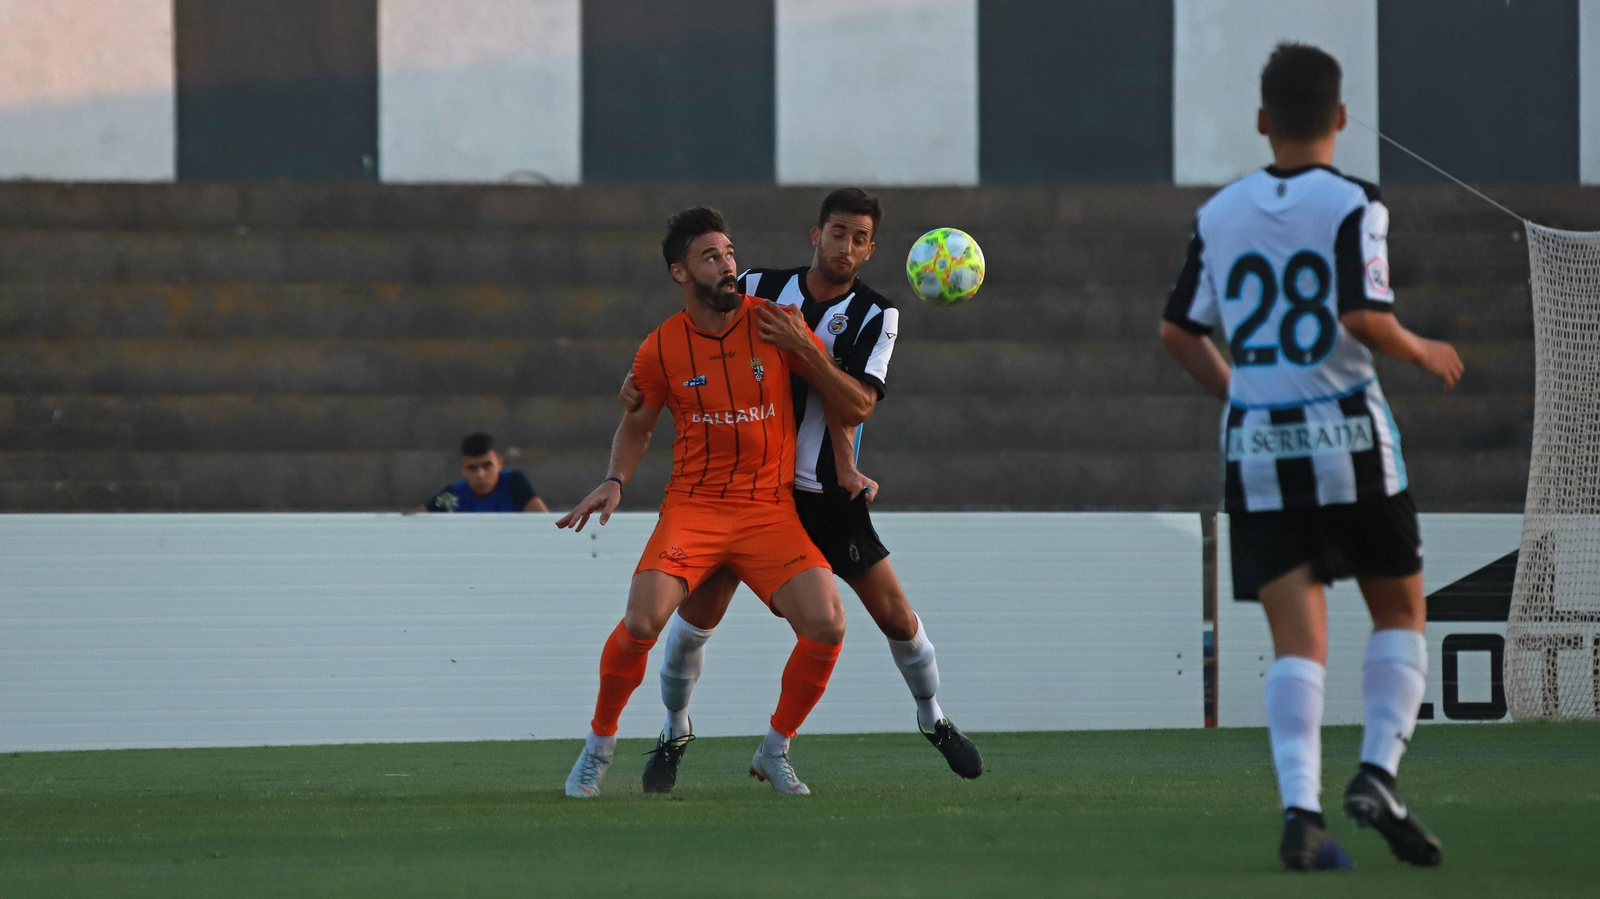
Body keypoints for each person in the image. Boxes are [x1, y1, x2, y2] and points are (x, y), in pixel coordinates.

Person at [1160, 43, 1464, 871]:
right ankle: (1376, 771)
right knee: (1399, 613)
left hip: (1259, 444)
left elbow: (1177, 331)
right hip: (1349, 437)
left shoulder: (1218, 212)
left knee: (1300, 640)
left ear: (1263, 122)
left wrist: (1242, 391)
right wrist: (1423, 348)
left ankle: (1302, 813)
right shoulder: (1355, 202)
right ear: (1338, 117)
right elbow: (1364, 318)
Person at [620, 188, 982, 794]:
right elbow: (691, 336)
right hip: (746, 490)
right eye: (837, 233)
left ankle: (930, 717)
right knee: (695, 622)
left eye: (859, 238)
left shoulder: (877, 314)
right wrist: (636, 386)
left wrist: (805, 355)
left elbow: (858, 404)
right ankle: (674, 728)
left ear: (871, 249)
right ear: (816, 236)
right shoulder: (758, 284)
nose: (846, 246)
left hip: (820, 496)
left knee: (894, 616)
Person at [556, 206, 876, 798]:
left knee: (829, 626)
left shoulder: (777, 322)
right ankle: (599, 746)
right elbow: (638, 423)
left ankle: (776, 748)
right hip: (696, 507)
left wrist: (807, 353)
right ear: (680, 272)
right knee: (642, 621)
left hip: (768, 510)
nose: (728, 265)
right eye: (711, 257)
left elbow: (846, 403)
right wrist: (615, 479)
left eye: (730, 254)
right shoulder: (660, 348)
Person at [418, 432, 547, 513]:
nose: (480, 475)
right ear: (462, 469)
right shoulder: (455, 495)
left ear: (500, 464)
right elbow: (415, 521)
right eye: (472, 468)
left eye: (487, 466)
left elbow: (542, 522)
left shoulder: (513, 484)